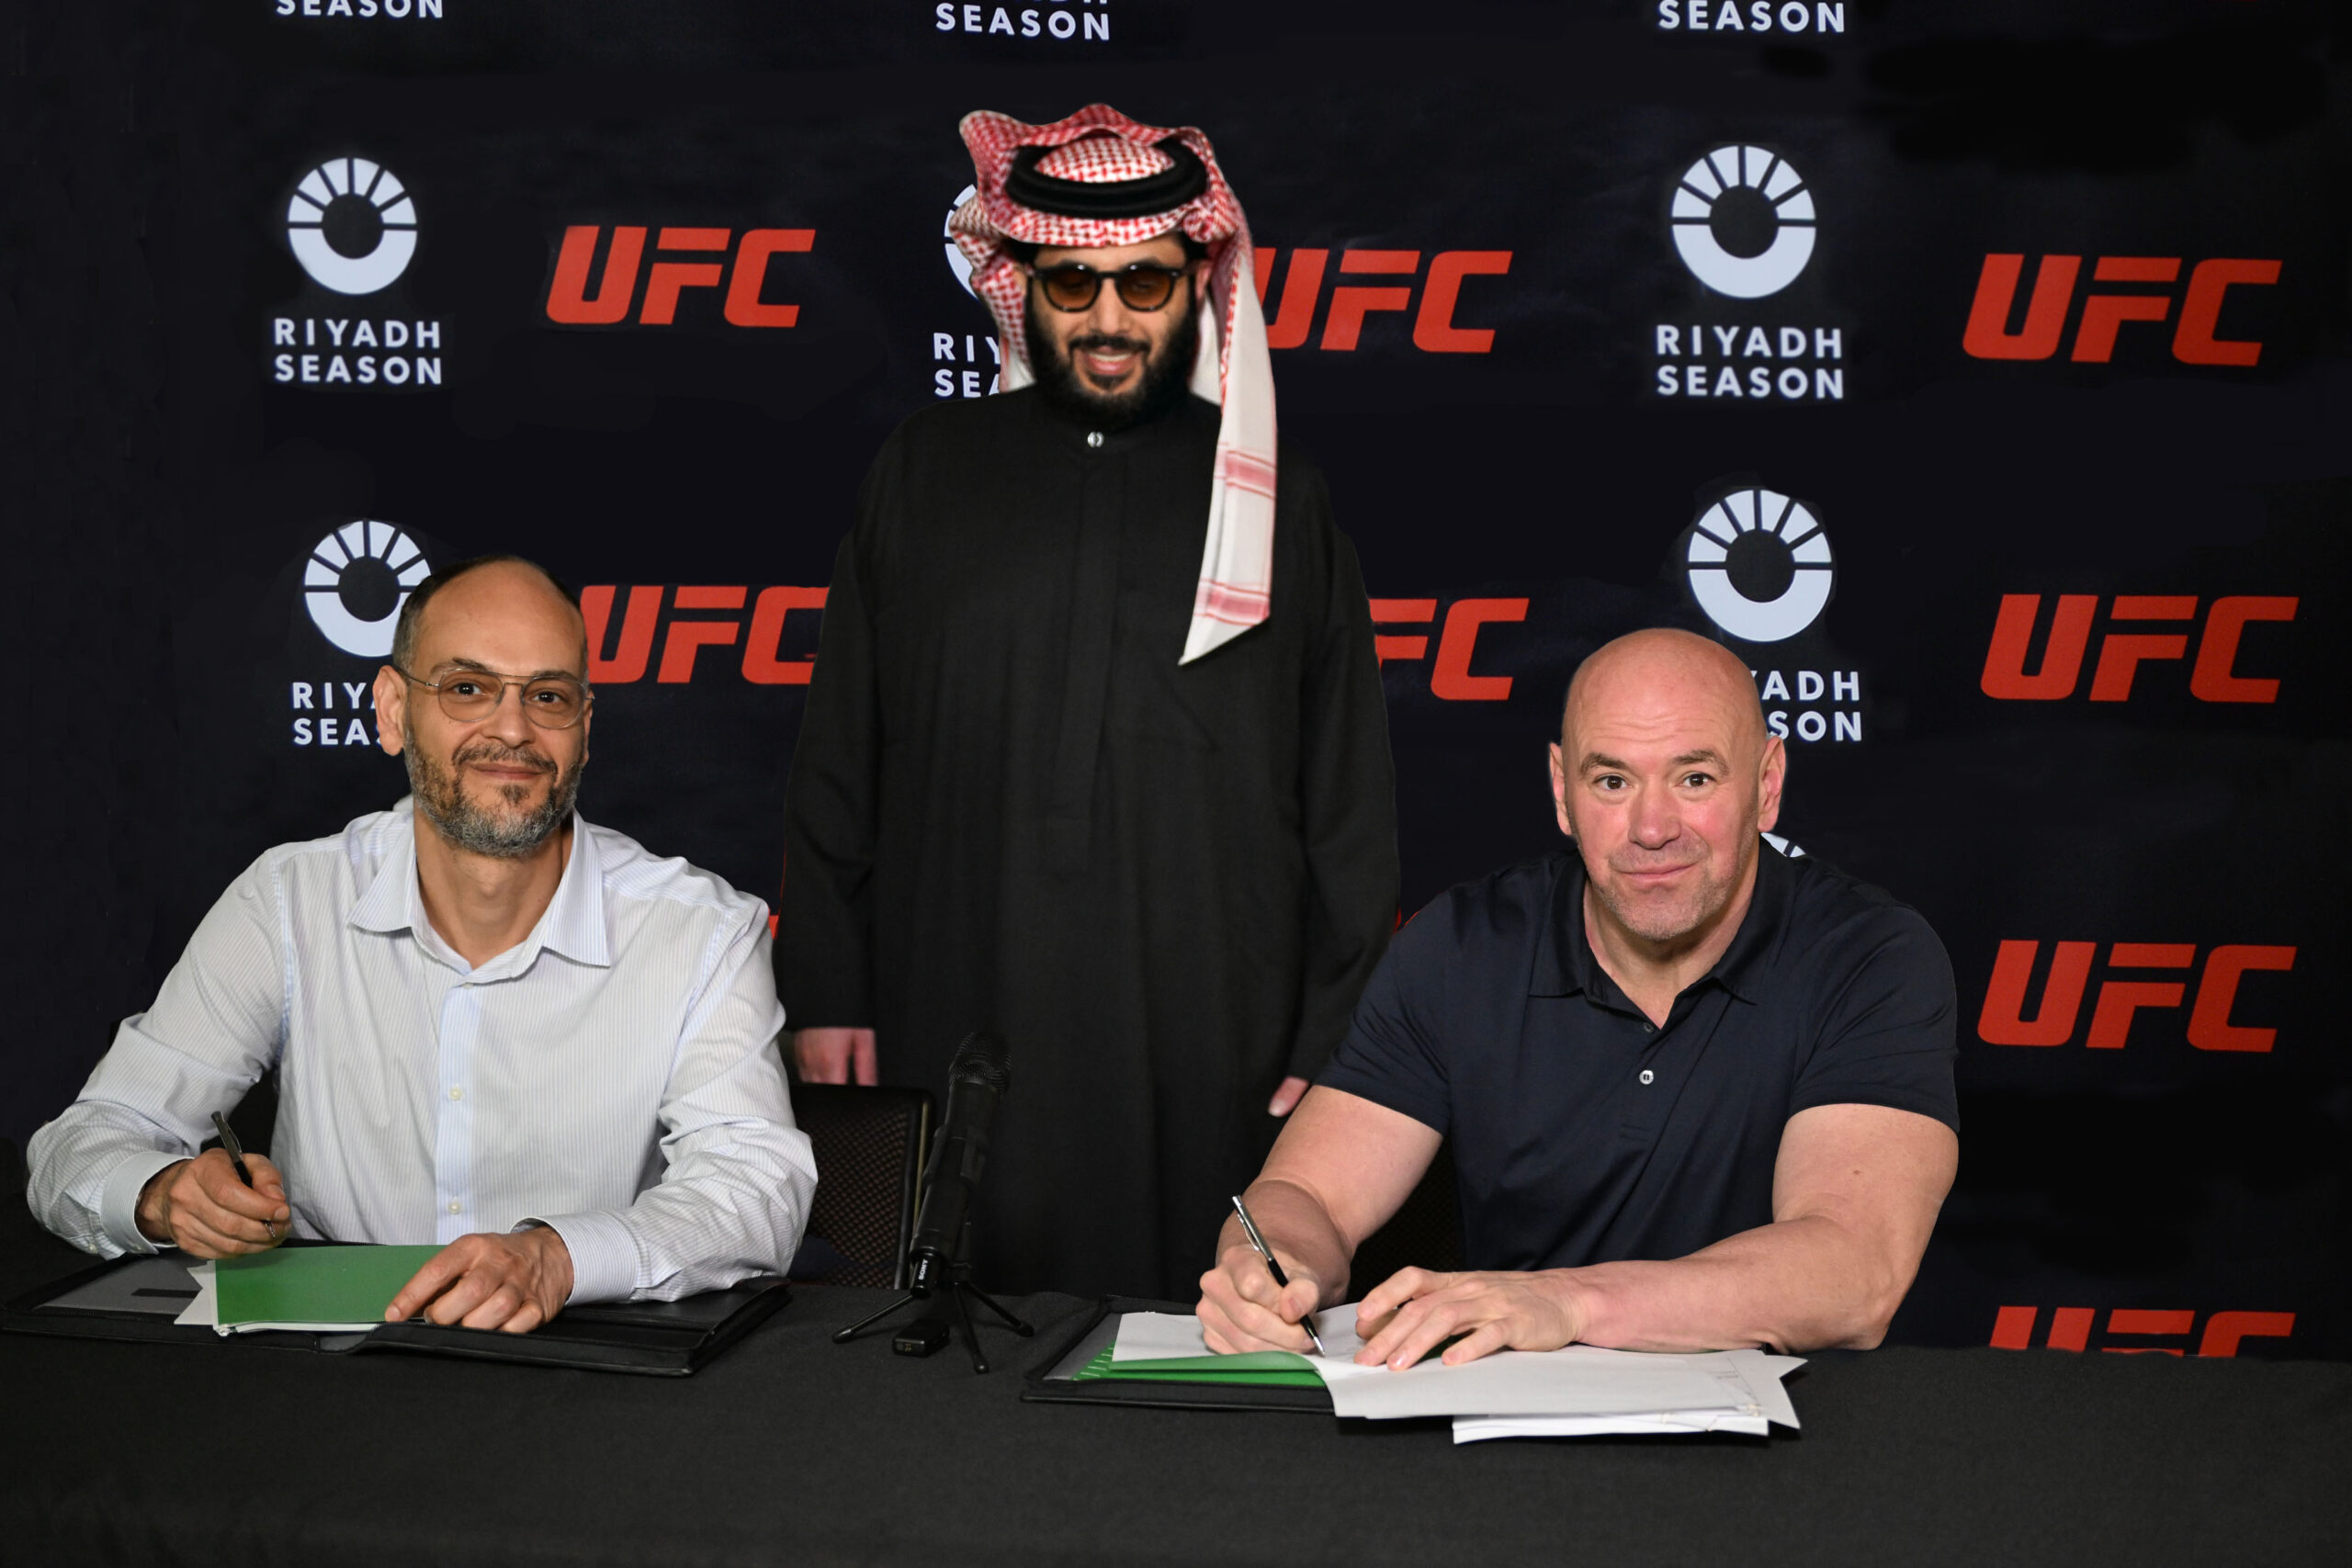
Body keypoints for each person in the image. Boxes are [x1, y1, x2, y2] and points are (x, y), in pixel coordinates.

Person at [779, 104, 1397, 1299]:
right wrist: (828, 987)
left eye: (1144, 283)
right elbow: (840, 758)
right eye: (1072, 284)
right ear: (1020, 283)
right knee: (938, 1337)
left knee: (1192, 1333)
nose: (1108, 320)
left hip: (1210, 1019)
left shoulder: (1276, 496)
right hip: (952, 985)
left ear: (1197, 282)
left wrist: (1338, 1040)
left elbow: (1347, 798)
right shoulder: (924, 469)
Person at [27, 557, 815, 1333]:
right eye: (467, 687)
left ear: (584, 728)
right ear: (393, 709)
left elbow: (756, 1187)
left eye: (548, 695)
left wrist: (559, 1257)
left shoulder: (703, 930)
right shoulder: (288, 900)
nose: (512, 729)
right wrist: (163, 1194)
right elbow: (83, 1143)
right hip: (319, 1371)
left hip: (583, 1371)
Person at [1198, 627, 1960, 1367]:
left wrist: (1567, 1303)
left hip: (1796, 1432)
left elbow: (1854, 1269)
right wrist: (1268, 1268)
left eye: (1694, 778)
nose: (1652, 828)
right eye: (1612, 781)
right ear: (1563, 790)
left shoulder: (1869, 957)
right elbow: (1308, 1192)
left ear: (1766, 785)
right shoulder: (1463, 947)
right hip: (1509, 1427)